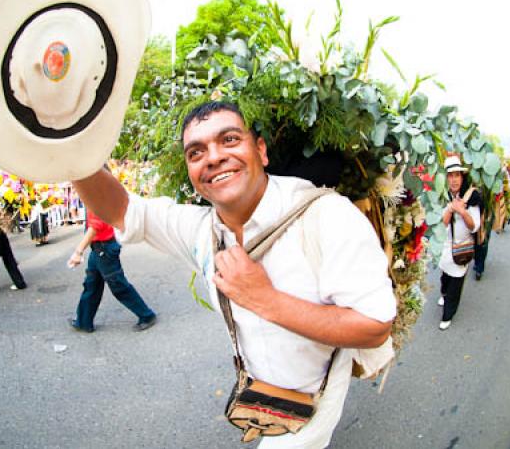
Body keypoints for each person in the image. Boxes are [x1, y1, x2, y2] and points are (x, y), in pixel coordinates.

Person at [70, 101, 395, 448]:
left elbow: (374, 327)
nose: (213, 157)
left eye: (229, 139)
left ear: (261, 150)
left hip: (315, 404)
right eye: (196, 152)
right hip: (264, 398)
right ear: (191, 173)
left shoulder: (326, 217)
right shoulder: (202, 232)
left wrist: (263, 298)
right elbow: (123, 210)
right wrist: (67, 154)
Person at [66, 207, 157, 333]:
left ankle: (147, 315)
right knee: (91, 284)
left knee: (118, 285)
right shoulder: (95, 191)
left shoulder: (93, 192)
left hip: (104, 248)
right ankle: (83, 321)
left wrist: (78, 251)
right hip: (100, 248)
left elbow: (95, 226)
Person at [438, 155, 481, 330]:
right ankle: (444, 293)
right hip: (445, 246)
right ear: (446, 178)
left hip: (462, 247)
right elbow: (442, 224)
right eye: (450, 175)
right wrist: (450, 209)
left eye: (457, 175)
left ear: (462, 177)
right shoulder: (442, 195)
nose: (454, 179)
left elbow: (474, 227)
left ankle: (448, 314)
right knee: (445, 276)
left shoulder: (472, 197)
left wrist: (463, 212)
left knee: (456, 279)